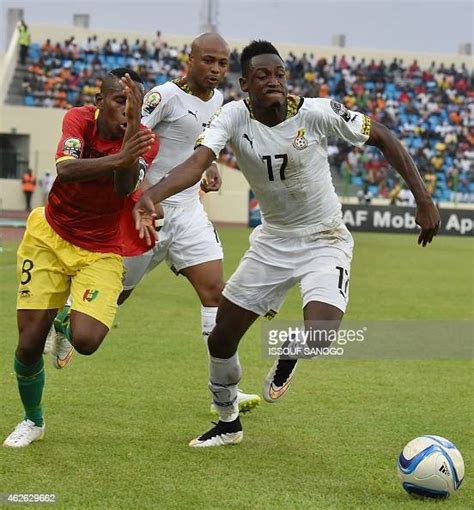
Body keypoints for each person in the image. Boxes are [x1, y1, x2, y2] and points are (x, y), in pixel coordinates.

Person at [133, 40, 441, 448]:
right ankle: (228, 423)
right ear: (245, 84)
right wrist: (152, 195)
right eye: (262, 75)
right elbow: (195, 163)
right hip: (272, 243)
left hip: (324, 238)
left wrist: (423, 198)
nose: (274, 81)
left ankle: (290, 351)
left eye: (279, 73)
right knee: (221, 337)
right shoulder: (232, 116)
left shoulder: (316, 112)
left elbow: (382, 136)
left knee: (321, 335)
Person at [3, 68, 158, 447]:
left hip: (100, 250)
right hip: (49, 237)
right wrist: (121, 156)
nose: (127, 109)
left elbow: (125, 188)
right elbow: (67, 170)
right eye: (120, 100)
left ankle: (66, 319)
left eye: (134, 103)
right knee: (27, 344)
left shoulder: (145, 140)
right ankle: (33, 421)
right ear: (99, 101)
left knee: (86, 340)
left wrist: (130, 142)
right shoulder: (77, 119)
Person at [119, 32, 260, 415]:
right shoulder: (163, 97)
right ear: (190, 59)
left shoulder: (218, 101)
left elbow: (198, 144)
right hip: (147, 209)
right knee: (118, 293)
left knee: (216, 292)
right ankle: (68, 316)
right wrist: (142, 195)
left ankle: (225, 396)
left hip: (189, 210)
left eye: (222, 64)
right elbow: (130, 142)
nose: (215, 70)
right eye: (208, 61)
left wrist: (210, 166)